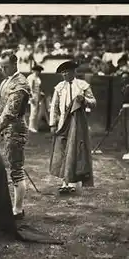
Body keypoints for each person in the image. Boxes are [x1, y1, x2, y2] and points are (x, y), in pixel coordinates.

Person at [0, 50, 31, 219]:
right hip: (7, 128)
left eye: (5, 67)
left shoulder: (21, 84)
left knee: (16, 169)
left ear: (15, 64)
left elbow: (10, 112)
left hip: (15, 129)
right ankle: (14, 206)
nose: (3, 70)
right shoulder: (7, 82)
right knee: (11, 167)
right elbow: (2, 110)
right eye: (1, 67)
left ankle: (18, 210)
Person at [49, 61, 95, 194]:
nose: (64, 74)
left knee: (75, 150)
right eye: (62, 72)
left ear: (73, 72)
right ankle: (65, 181)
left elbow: (93, 102)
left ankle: (73, 182)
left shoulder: (82, 85)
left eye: (66, 71)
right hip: (63, 122)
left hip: (78, 122)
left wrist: (84, 100)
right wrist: (53, 124)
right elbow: (54, 107)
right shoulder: (59, 87)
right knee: (62, 149)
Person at [25, 65, 44, 132]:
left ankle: (34, 126)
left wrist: (41, 93)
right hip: (33, 96)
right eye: (37, 71)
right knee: (33, 111)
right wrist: (31, 98)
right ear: (34, 71)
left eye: (39, 71)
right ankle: (31, 127)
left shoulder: (37, 78)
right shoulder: (31, 77)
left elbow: (38, 88)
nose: (38, 72)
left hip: (37, 95)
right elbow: (29, 89)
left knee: (36, 111)